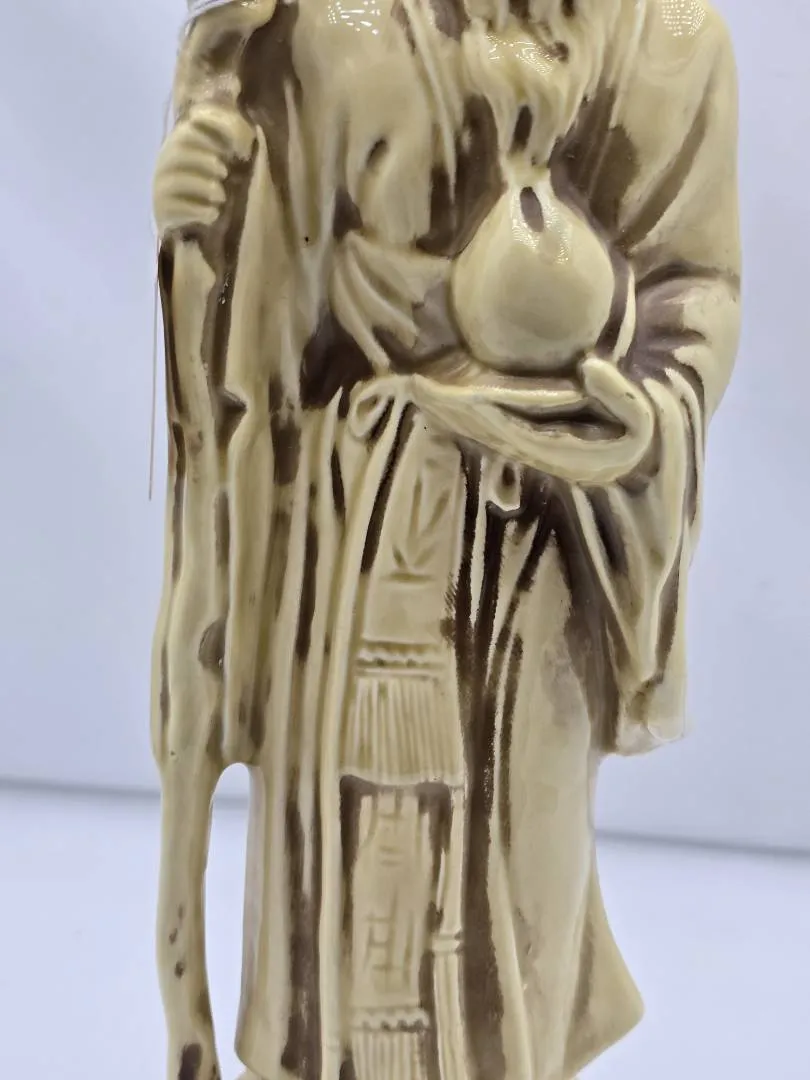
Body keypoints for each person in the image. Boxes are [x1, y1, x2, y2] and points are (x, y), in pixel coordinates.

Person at [152, 1, 740, 1078]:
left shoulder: (668, 41)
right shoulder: (330, 25)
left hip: (544, 541)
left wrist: (646, 414)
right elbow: (267, 313)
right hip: (354, 520)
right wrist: (210, 224)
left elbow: (694, 288)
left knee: (518, 890)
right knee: (344, 876)